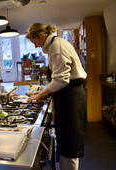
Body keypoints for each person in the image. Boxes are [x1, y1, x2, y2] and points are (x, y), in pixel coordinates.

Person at [26, 23, 87, 170]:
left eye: (35, 42)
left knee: (70, 143)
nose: (35, 46)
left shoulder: (56, 47)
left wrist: (41, 94)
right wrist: (44, 92)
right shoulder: (55, 45)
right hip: (67, 96)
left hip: (70, 97)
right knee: (66, 141)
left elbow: (61, 80)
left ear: (41, 35)